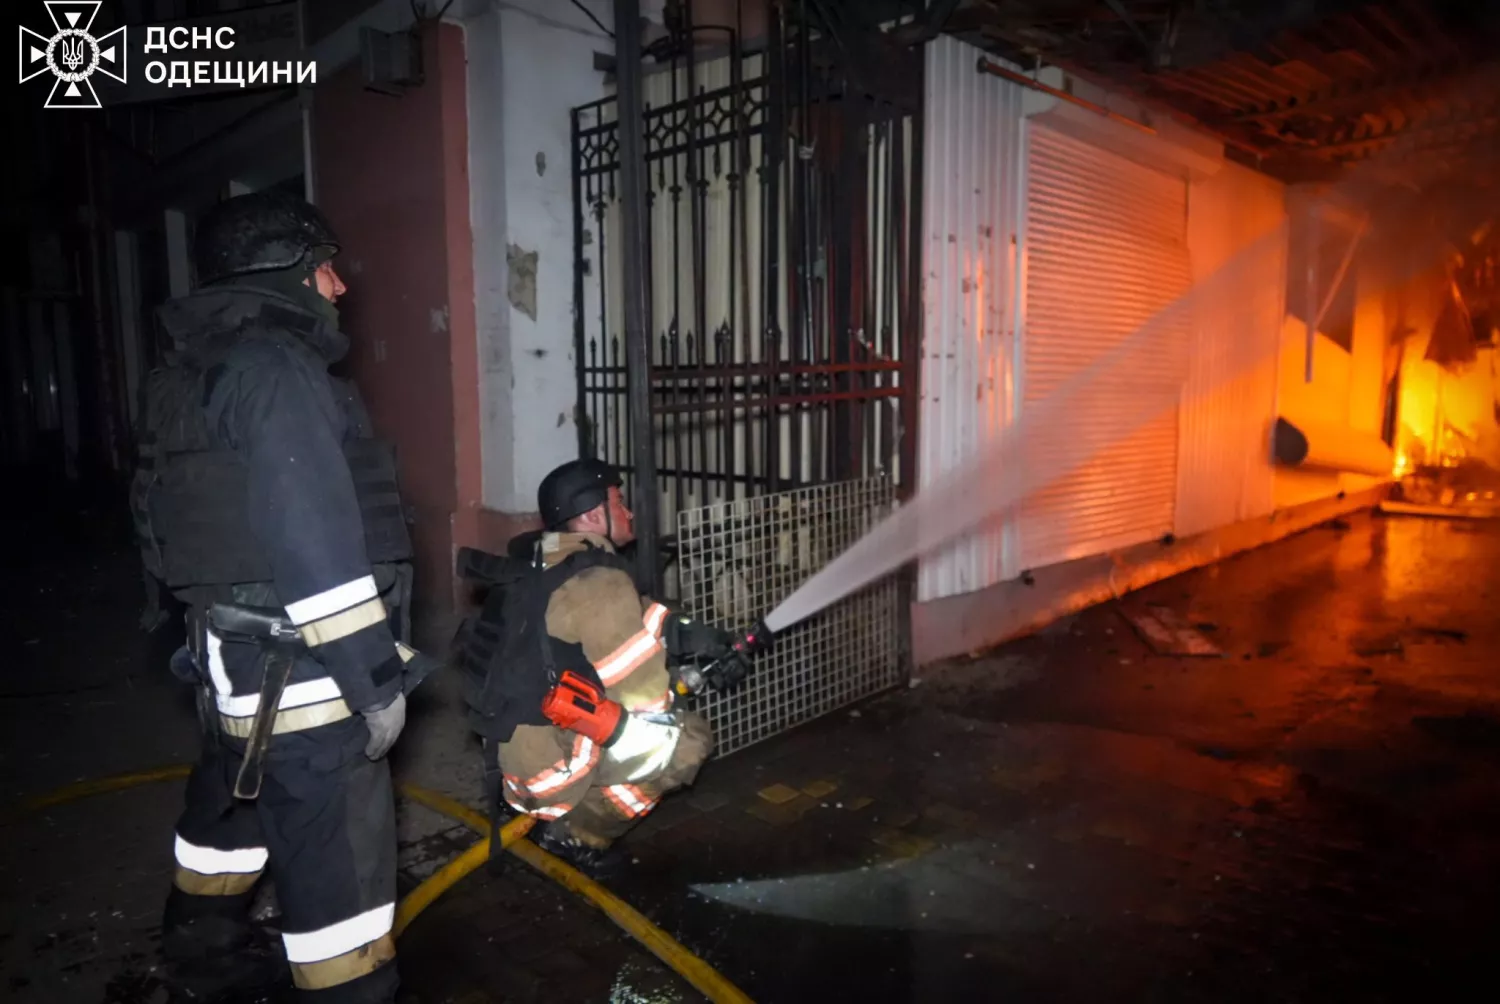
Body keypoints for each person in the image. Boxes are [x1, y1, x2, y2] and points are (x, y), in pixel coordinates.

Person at [130, 190, 414, 1003]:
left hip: (230, 655)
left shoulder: (194, 365)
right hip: (306, 674)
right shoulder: (275, 368)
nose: (339, 286)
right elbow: (313, 539)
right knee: (338, 872)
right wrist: (375, 681)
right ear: (287, 271)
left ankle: (202, 946)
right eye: (326, 267)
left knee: (232, 806)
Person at [457, 459, 752, 875]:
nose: (629, 512)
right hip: (546, 775)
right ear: (594, 515)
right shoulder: (601, 585)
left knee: (634, 715)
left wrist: (693, 636)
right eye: (620, 502)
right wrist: (697, 678)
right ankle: (576, 832)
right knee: (686, 741)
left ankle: (535, 806)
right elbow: (648, 703)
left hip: (510, 755)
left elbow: (631, 614)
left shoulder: (547, 560)